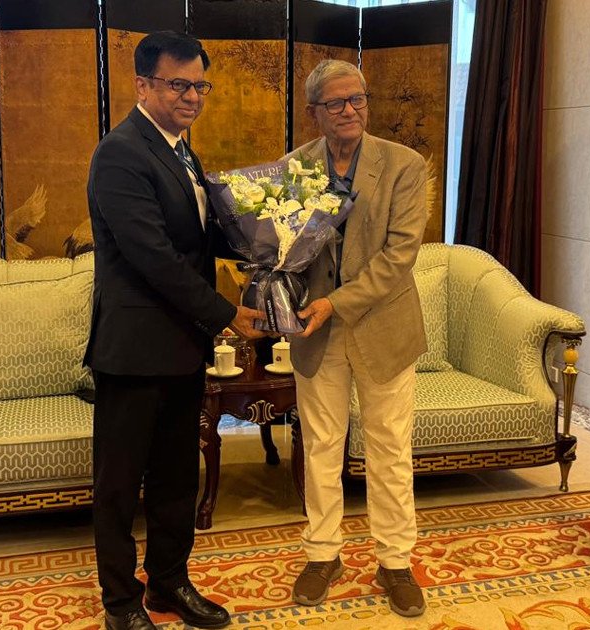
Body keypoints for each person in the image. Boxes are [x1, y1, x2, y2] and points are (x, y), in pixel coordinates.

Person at [84, 30, 265, 630]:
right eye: (179, 85)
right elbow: (153, 257)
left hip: (182, 347)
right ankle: (120, 603)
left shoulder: (182, 151)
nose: (192, 97)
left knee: (176, 477)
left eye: (200, 86)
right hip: (133, 351)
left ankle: (168, 583)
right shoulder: (120, 153)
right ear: (143, 85)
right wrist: (226, 313)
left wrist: (271, 239)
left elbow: (197, 238)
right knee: (119, 486)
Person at [285, 59, 429, 617]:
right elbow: (283, 248)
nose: (349, 110)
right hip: (315, 332)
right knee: (321, 445)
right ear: (314, 113)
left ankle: (395, 561)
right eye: (336, 102)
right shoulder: (295, 168)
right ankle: (322, 554)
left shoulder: (403, 165)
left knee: (389, 447)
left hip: (382, 327)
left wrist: (334, 304)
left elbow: (399, 256)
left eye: (358, 99)